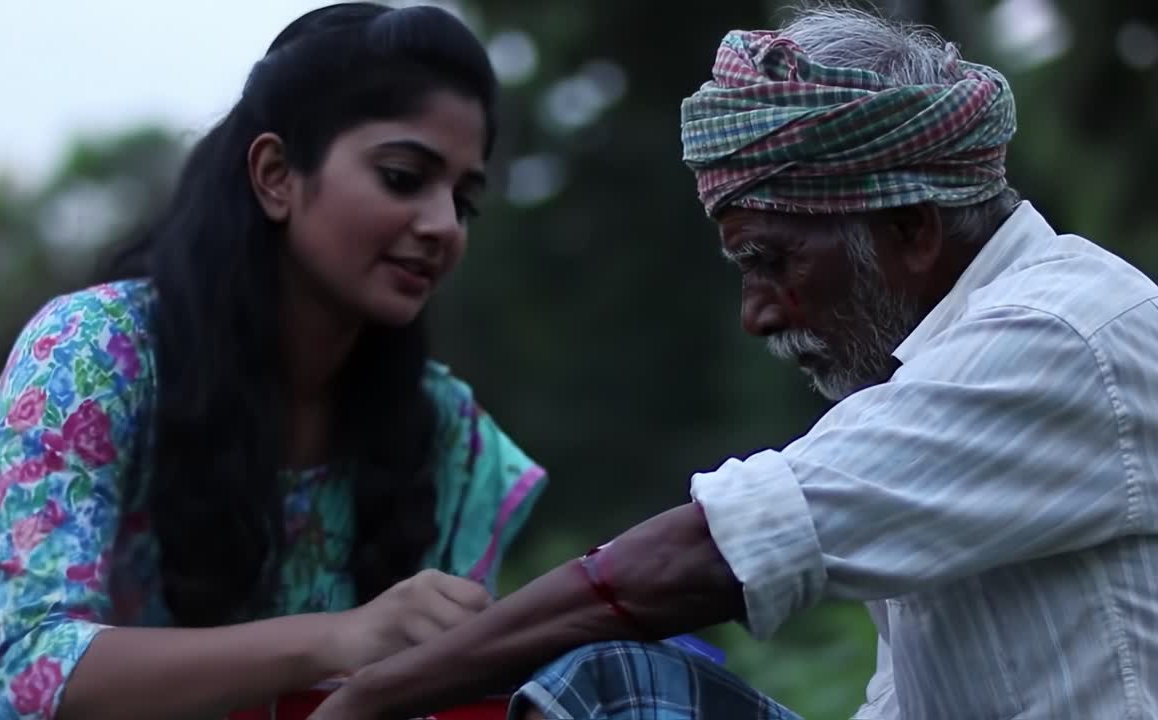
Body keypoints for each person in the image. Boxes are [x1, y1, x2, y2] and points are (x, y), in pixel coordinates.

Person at [305, 5, 1158, 720]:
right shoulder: (956, 363)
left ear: (912, 229)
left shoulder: (1058, 334)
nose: (757, 314)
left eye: (772, 260)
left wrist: (368, 701)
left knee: (611, 685)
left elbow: (705, 556)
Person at [0, 4, 549, 719]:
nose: (441, 226)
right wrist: (338, 638)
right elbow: (16, 669)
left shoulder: (452, 439)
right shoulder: (93, 358)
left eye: (465, 201)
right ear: (276, 174)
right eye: (403, 177)